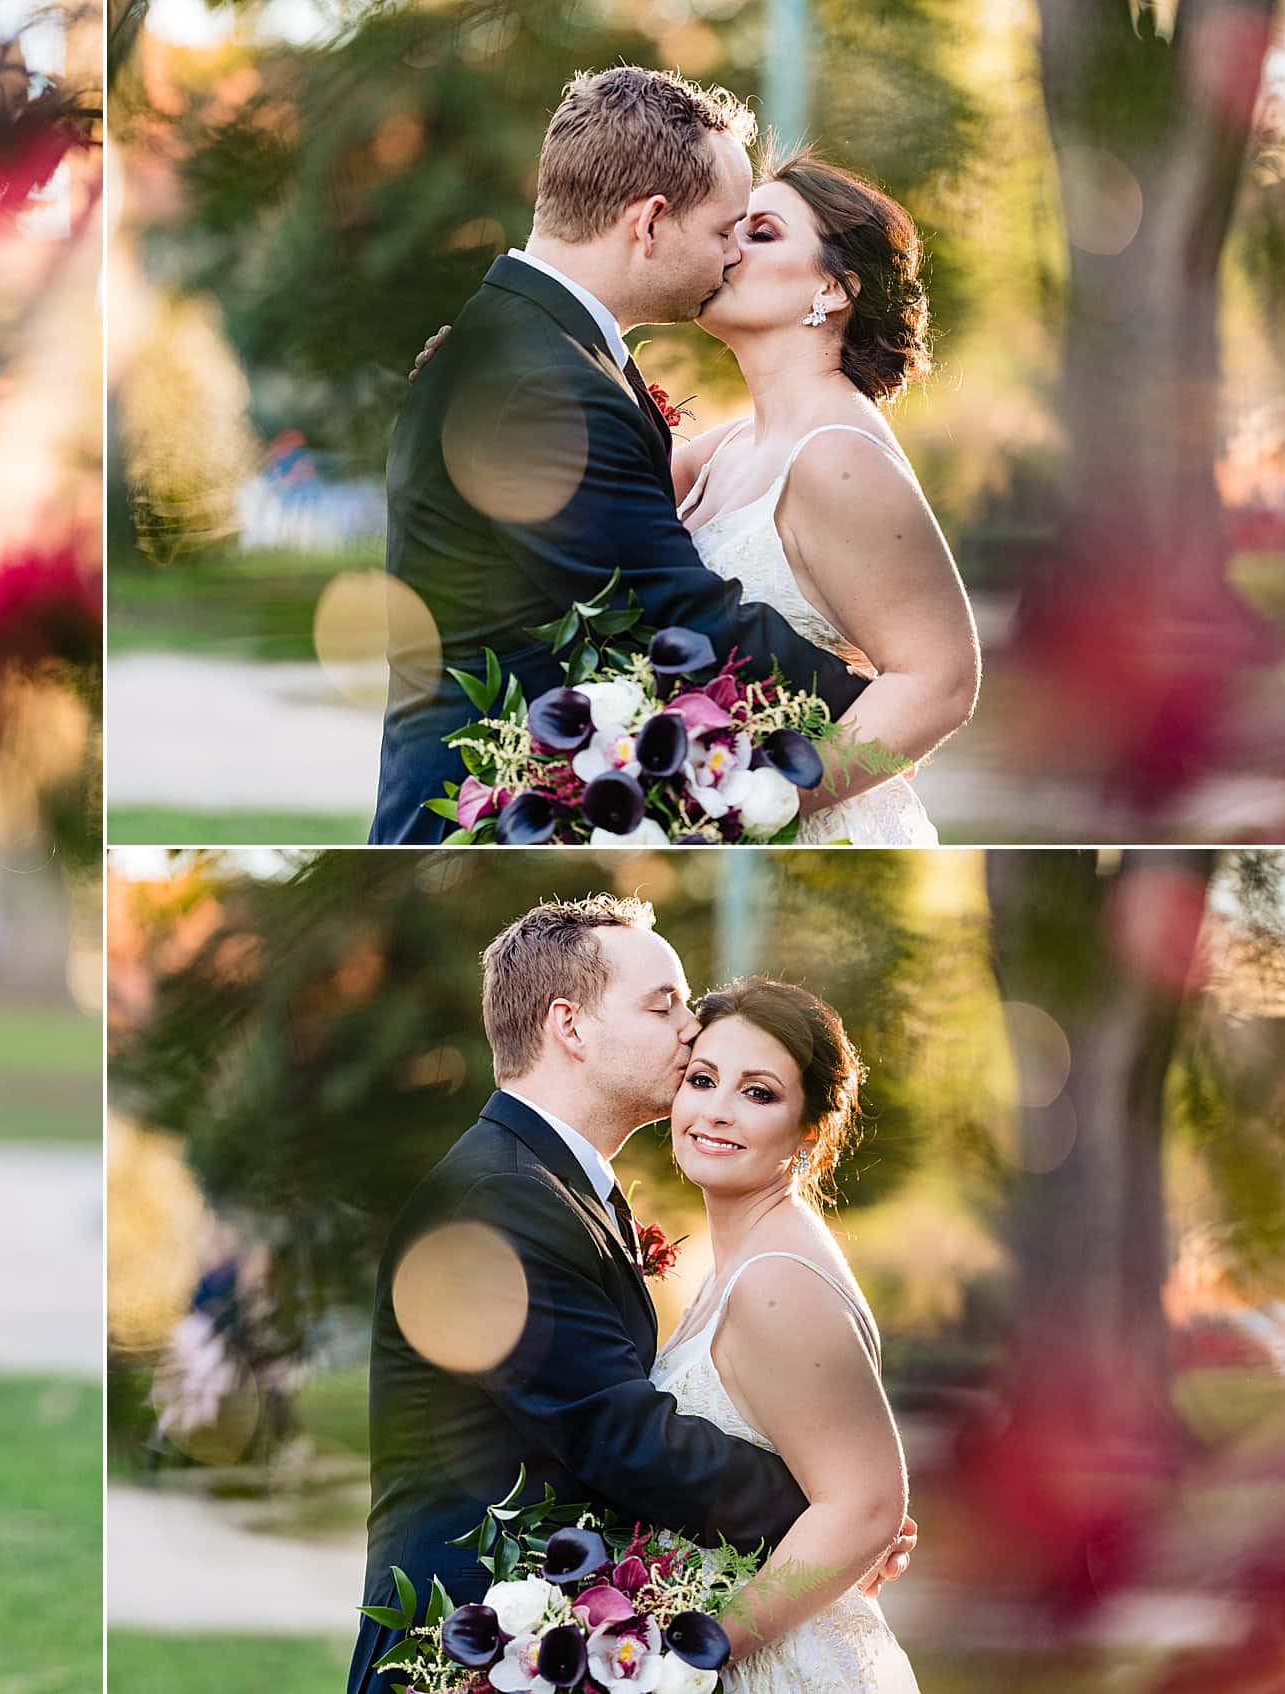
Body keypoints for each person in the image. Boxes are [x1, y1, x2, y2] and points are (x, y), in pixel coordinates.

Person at [350, 896, 914, 1693]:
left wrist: (849, 1511)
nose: (691, 1026)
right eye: (665, 1005)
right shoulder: (500, 1199)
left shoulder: (563, 1187)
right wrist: (832, 1511)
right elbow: (621, 1436)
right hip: (465, 1645)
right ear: (570, 1026)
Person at [370, 67, 874, 844]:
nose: (731, 256)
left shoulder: (539, 345)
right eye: (722, 231)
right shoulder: (540, 383)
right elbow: (664, 609)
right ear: (649, 224)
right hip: (485, 813)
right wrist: (865, 699)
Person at [674, 148, 980, 844]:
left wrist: (751, 809)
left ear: (834, 290)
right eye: (728, 229)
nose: (727, 248)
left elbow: (940, 682)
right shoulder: (723, 449)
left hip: (809, 832)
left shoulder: (838, 456)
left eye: (761, 233)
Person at [651, 976, 920, 1689]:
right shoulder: (744, 1260)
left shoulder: (776, 1277)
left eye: (758, 1092)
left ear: (810, 1128)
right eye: (703, 1079)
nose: (716, 1111)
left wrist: (694, 1656)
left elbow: (866, 1506)